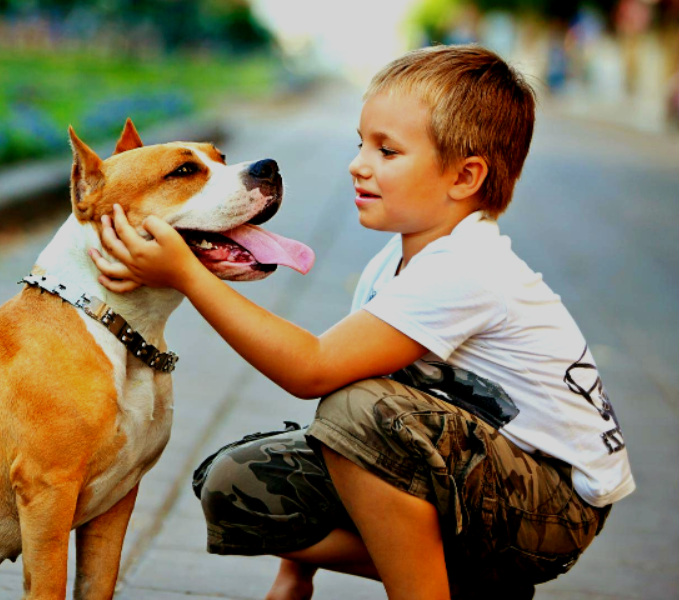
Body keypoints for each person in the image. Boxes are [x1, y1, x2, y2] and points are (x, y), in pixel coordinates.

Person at [88, 44, 634, 600]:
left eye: (387, 151)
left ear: (465, 177)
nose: (358, 164)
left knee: (358, 412)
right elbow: (346, 399)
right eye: (360, 143)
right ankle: (468, 577)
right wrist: (293, 578)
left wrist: (187, 273)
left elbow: (314, 372)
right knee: (235, 486)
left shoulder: (470, 267)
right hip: (472, 480)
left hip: (553, 508)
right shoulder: (390, 264)